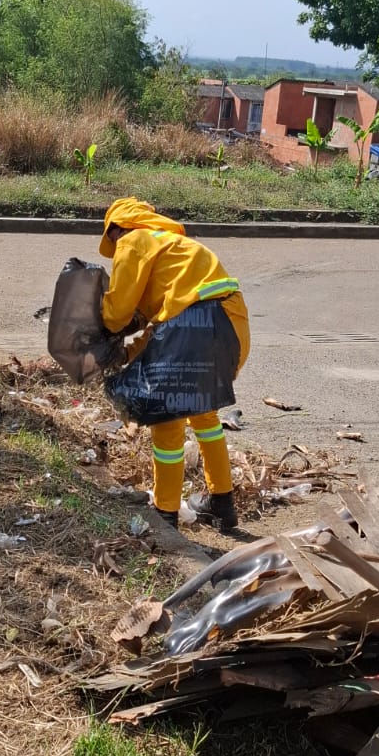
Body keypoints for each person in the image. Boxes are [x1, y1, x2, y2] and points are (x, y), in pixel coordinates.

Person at [99, 197, 250, 533]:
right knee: (203, 413)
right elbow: (166, 326)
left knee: (167, 419)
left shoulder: (134, 239)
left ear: (117, 229)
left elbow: (117, 313)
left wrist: (101, 327)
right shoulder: (176, 246)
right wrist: (129, 353)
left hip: (194, 327)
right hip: (232, 323)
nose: (114, 247)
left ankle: (165, 514)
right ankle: (221, 506)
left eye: (111, 239)